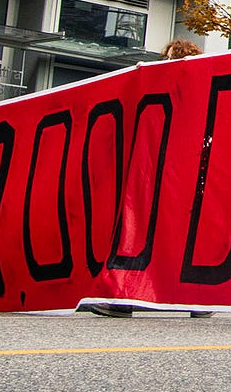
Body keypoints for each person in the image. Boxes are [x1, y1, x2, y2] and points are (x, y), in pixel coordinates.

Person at [88, 37, 212, 319]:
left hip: (180, 180)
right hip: (159, 175)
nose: (165, 63)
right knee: (147, 234)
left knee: (166, 236)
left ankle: (190, 298)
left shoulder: (193, 94)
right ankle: (128, 298)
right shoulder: (167, 91)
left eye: (171, 58)